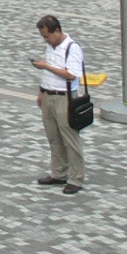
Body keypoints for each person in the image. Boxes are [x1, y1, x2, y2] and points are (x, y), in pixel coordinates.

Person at [31, 15, 86, 194]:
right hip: (48, 95)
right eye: (44, 37)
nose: (46, 40)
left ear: (57, 30)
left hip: (65, 98)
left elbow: (72, 74)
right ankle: (58, 172)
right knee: (53, 137)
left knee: (70, 138)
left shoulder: (72, 48)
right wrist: (41, 92)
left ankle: (75, 178)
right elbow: (48, 74)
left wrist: (46, 67)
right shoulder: (51, 47)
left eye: (48, 36)